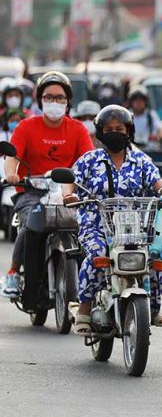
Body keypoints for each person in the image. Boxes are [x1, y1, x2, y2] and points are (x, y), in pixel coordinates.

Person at [62, 105, 162, 334]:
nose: (114, 132)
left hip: (135, 227)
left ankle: (154, 309)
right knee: (98, 255)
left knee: (154, 261)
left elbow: (158, 182)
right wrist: (69, 195)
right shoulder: (90, 159)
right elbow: (71, 179)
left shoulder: (141, 160)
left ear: (129, 131)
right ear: (100, 132)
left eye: (119, 128)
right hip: (96, 224)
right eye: (108, 129)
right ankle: (85, 310)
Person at [0, 71, 94, 298]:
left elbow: (90, 161)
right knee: (28, 225)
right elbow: (12, 157)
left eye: (60, 97)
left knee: (91, 227)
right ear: (40, 99)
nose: (55, 102)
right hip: (32, 191)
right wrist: (12, 174)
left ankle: (93, 280)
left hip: (68, 193)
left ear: (68, 101)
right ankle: (13, 272)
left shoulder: (78, 129)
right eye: (49, 97)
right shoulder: (25, 127)